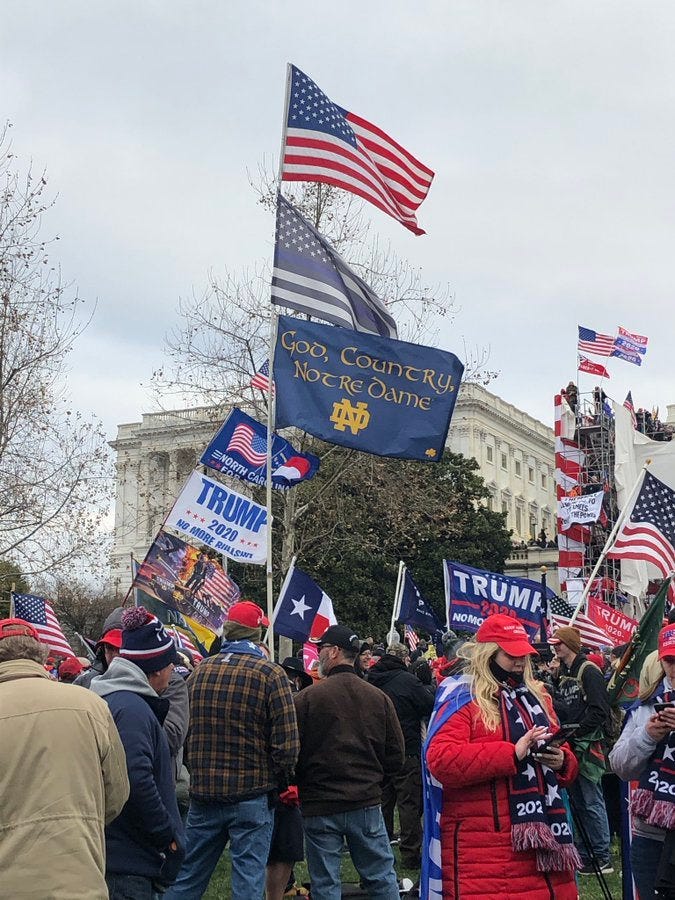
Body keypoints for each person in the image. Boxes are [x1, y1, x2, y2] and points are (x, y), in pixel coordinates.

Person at [423, 614, 580, 900]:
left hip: (543, 840)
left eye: (524, 655)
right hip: (484, 849)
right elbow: (441, 759)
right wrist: (513, 752)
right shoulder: (462, 697)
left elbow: (560, 748)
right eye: (511, 655)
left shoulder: (535, 696)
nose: (520, 662)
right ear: (488, 654)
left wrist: (563, 761)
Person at [165, 600, 299, 900]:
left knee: (187, 878)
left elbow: (184, 731)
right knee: (248, 882)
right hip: (252, 794)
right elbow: (287, 747)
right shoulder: (271, 674)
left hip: (205, 793)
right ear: (255, 634)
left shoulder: (199, 672)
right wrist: (277, 779)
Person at [0, 617, 130, 899]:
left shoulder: (90, 704)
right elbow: (117, 794)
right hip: (79, 878)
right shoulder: (90, 704)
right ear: (40, 653)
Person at [294, 624, 405, 900]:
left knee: (325, 883)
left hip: (320, 803)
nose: (318, 655)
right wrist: (374, 780)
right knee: (381, 877)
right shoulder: (378, 698)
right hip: (365, 800)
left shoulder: (307, 698)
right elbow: (396, 755)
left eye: (321, 650)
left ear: (333, 652)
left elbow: (290, 752)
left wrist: (300, 781)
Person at [91, 607, 185, 899]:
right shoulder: (132, 709)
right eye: (171, 663)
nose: (173, 671)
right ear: (156, 667)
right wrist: (166, 835)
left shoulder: (116, 700)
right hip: (128, 861)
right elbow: (135, 779)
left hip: (118, 852)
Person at [610, 622, 675, 899]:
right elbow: (621, 767)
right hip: (652, 835)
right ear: (661, 660)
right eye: (670, 660)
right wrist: (647, 736)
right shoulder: (647, 704)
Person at [549, 625, 613, 874]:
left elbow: (600, 710)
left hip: (586, 745)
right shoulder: (564, 672)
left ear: (571, 645)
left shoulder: (589, 671)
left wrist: (577, 732)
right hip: (570, 744)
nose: (555, 647)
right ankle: (586, 853)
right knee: (577, 800)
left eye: (559, 643)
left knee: (591, 799)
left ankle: (601, 854)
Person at [369, 641, 434, 869]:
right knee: (408, 804)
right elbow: (428, 705)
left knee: (383, 803)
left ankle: (380, 849)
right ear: (404, 658)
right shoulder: (408, 681)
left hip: (377, 751)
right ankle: (410, 854)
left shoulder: (370, 680)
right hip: (406, 748)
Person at [75, 606, 124, 688]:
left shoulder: (149, 682)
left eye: (121, 649)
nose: (116, 655)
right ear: (102, 650)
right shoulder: (85, 684)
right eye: (109, 648)